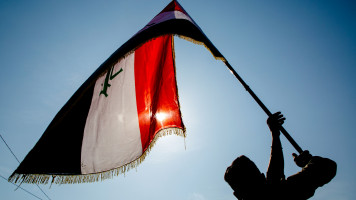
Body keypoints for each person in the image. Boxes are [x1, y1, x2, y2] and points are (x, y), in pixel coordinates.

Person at [224, 112, 337, 200]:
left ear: (237, 195)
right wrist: (309, 162)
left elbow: (273, 180)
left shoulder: (285, 190)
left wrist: (275, 135)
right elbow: (327, 167)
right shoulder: (286, 192)